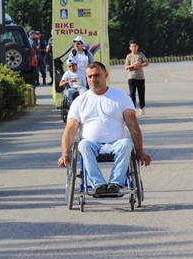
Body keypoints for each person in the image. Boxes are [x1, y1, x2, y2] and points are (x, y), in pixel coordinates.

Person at [58, 62, 151, 196]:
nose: (92, 79)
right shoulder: (80, 101)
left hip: (116, 144)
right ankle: (99, 185)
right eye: (89, 77)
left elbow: (133, 125)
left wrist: (140, 151)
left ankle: (116, 184)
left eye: (96, 75)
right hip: (91, 144)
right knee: (83, 145)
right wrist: (65, 153)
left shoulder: (121, 97)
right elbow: (70, 130)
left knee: (126, 144)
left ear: (105, 75)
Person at [125, 39, 149, 116]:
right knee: (132, 94)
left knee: (141, 94)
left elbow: (147, 63)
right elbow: (126, 67)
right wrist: (133, 65)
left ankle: (142, 108)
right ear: (130, 48)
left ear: (137, 47)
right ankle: (133, 109)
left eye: (135, 46)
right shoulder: (128, 56)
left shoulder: (140, 55)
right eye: (132, 46)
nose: (134, 48)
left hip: (140, 78)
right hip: (132, 77)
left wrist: (140, 65)